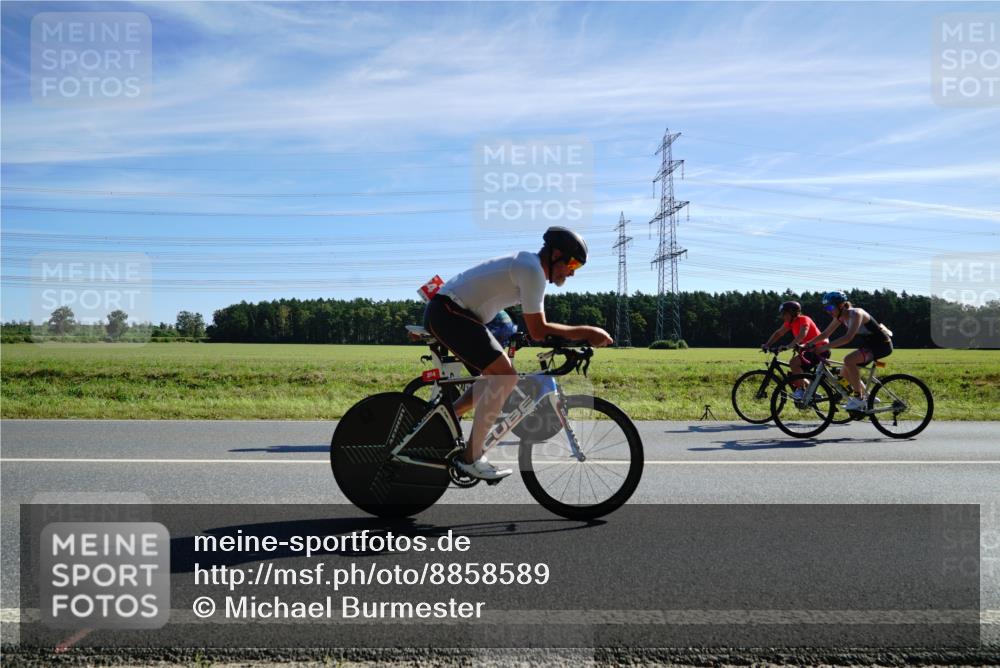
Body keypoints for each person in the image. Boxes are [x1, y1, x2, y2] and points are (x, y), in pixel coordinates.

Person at [423, 227, 613, 480]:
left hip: (457, 314)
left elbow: (538, 328)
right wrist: (588, 331)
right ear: (556, 254)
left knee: (495, 378)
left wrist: (571, 339)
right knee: (505, 377)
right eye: (573, 263)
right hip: (449, 312)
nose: (572, 272)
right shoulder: (532, 269)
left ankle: (445, 419)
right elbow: (538, 330)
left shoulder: (530, 267)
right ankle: (471, 457)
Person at [808, 291, 893, 411]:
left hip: (881, 345)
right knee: (843, 375)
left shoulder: (856, 313)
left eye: (830, 307)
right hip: (869, 345)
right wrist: (807, 344)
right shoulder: (840, 317)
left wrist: (823, 347)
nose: (828, 310)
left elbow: (848, 337)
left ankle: (858, 398)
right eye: (826, 308)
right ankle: (869, 398)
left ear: (841, 305)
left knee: (848, 360)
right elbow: (826, 334)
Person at [760, 300, 829, 401]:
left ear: (792, 313)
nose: (782, 316)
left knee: (794, 363)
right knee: (794, 376)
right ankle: (812, 393)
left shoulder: (804, 319)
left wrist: (789, 346)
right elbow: (778, 333)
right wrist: (767, 344)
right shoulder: (790, 323)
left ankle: (801, 390)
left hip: (819, 349)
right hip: (808, 351)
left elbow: (802, 334)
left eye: (784, 314)